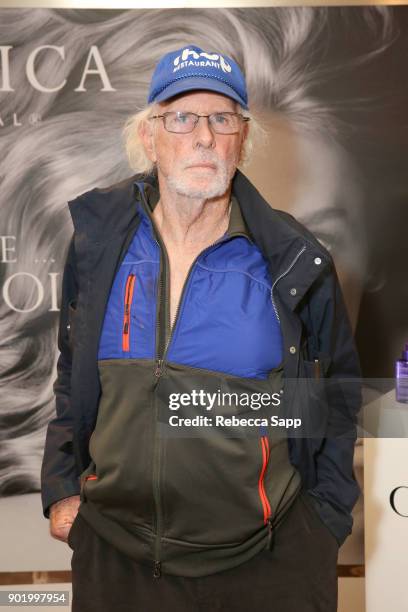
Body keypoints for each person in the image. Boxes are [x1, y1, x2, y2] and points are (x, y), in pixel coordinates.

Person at [41, 45, 362, 611]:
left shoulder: (294, 259)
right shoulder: (98, 245)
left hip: (265, 566)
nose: (204, 137)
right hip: (117, 560)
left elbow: (331, 400)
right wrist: (63, 490)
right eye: (182, 117)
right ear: (150, 135)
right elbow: (73, 376)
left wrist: (322, 524)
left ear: (244, 138)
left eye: (222, 118)